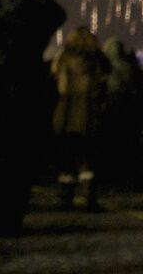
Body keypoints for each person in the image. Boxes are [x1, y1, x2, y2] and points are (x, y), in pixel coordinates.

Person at [0, 0, 66, 234]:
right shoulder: (36, 17)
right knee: (22, 161)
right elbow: (59, 13)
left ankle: (1, 216)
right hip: (29, 91)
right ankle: (14, 216)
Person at [51, 26, 110, 209]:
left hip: (67, 112)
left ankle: (65, 198)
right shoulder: (97, 60)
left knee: (66, 158)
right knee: (88, 158)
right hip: (89, 112)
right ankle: (89, 196)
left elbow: (58, 83)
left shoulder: (64, 58)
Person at [100, 38, 143, 190]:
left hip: (111, 115)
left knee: (112, 148)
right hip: (131, 115)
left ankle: (112, 179)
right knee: (129, 147)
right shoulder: (133, 69)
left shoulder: (106, 70)